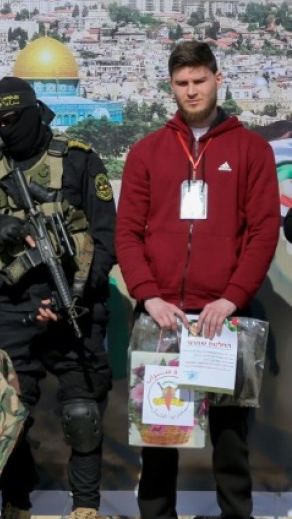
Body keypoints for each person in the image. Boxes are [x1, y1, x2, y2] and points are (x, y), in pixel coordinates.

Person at [116, 40, 279, 519]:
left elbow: (264, 230)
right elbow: (127, 232)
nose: (191, 91)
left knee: (230, 441)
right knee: (159, 436)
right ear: (172, 86)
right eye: (182, 83)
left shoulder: (250, 149)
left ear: (217, 78)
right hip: (162, 317)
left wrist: (231, 298)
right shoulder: (147, 151)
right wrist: (148, 297)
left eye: (199, 81)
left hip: (222, 318)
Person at [0, 76, 116, 519]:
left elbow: (106, 237)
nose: (6, 128)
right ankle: (15, 505)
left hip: (75, 303)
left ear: (35, 112)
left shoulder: (79, 161)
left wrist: (81, 294)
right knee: (9, 417)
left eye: (14, 119)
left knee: (83, 414)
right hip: (11, 307)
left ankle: (85, 508)